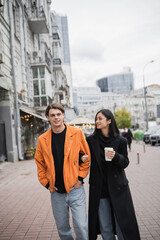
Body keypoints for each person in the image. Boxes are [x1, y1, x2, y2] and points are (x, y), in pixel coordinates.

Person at [35, 103, 91, 240]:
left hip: (75, 189)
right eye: (52, 115)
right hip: (56, 192)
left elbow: (86, 158)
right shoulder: (43, 139)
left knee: (82, 226)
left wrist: (80, 179)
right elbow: (40, 164)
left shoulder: (77, 133)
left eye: (59, 114)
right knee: (63, 228)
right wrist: (47, 184)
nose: (56, 118)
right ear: (47, 117)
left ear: (63, 115)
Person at [86, 109, 141, 240]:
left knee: (122, 225)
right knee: (105, 227)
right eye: (96, 119)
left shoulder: (121, 141)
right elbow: (82, 157)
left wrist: (116, 157)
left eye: (100, 118)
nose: (97, 121)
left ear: (109, 121)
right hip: (99, 189)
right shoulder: (90, 140)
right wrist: (82, 158)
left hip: (118, 188)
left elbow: (125, 162)